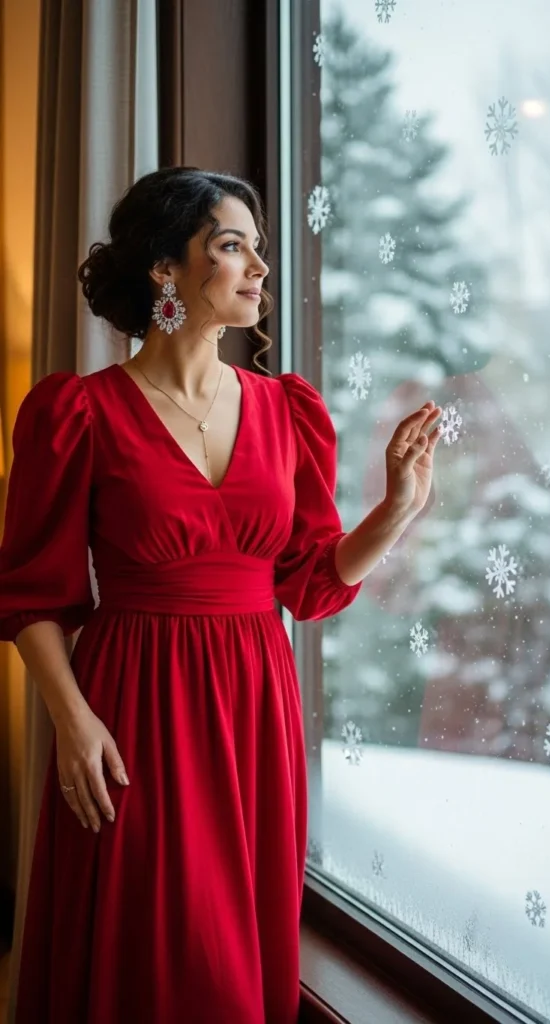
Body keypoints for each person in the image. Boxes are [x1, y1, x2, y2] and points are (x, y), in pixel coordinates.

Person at [0, 166, 441, 1023]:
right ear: (167, 267)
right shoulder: (77, 413)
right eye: (232, 246)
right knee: (155, 951)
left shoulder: (288, 410)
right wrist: (72, 719)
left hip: (254, 711)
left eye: (259, 249)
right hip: (132, 707)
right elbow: (31, 596)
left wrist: (397, 509)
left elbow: (311, 583)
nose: (259, 269)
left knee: (234, 954)